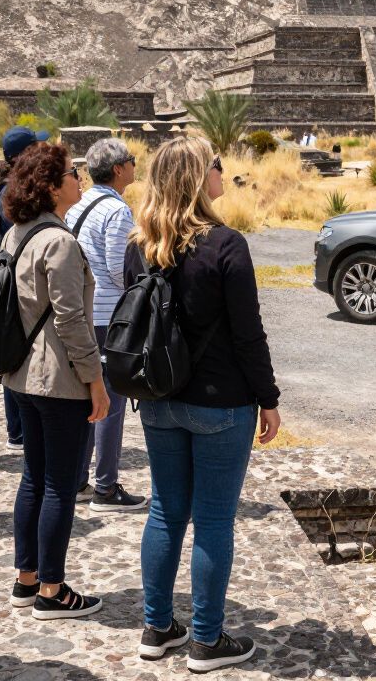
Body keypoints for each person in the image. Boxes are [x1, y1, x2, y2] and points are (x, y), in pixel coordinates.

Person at [124, 135, 280, 671]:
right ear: (198, 177)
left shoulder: (138, 246)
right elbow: (247, 335)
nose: (222, 172)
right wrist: (269, 398)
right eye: (215, 165)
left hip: (160, 399)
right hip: (221, 404)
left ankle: (156, 626)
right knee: (214, 520)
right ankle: (207, 641)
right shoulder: (226, 245)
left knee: (166, 512)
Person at [0, 143, 110, 621]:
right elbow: (71, 321)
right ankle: (52, 590)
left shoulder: (16, 235)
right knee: (60, 486)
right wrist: (97, 380)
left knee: (34, 478)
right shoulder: (60, 243)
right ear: (49, 186)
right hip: (58, 380)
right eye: (71, 173)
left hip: (20, 375)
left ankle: (27, 579)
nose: (78, 179)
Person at [65, 138, 148, 513]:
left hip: (82, 314)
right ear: (118, 169)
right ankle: (106, 487)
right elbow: (119, 270)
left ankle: (79, 479)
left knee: (87, 400)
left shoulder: (78, 205)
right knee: (111, 403)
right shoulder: (117, 211)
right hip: (106, 318)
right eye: (130, 160)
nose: (134, 165)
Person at [0, 125, 48, 451]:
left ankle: (18, 429)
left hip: (8, 278)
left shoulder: (2, 189)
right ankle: (20, 430)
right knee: (19, 352)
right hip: (19, 283)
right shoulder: (14, 193)